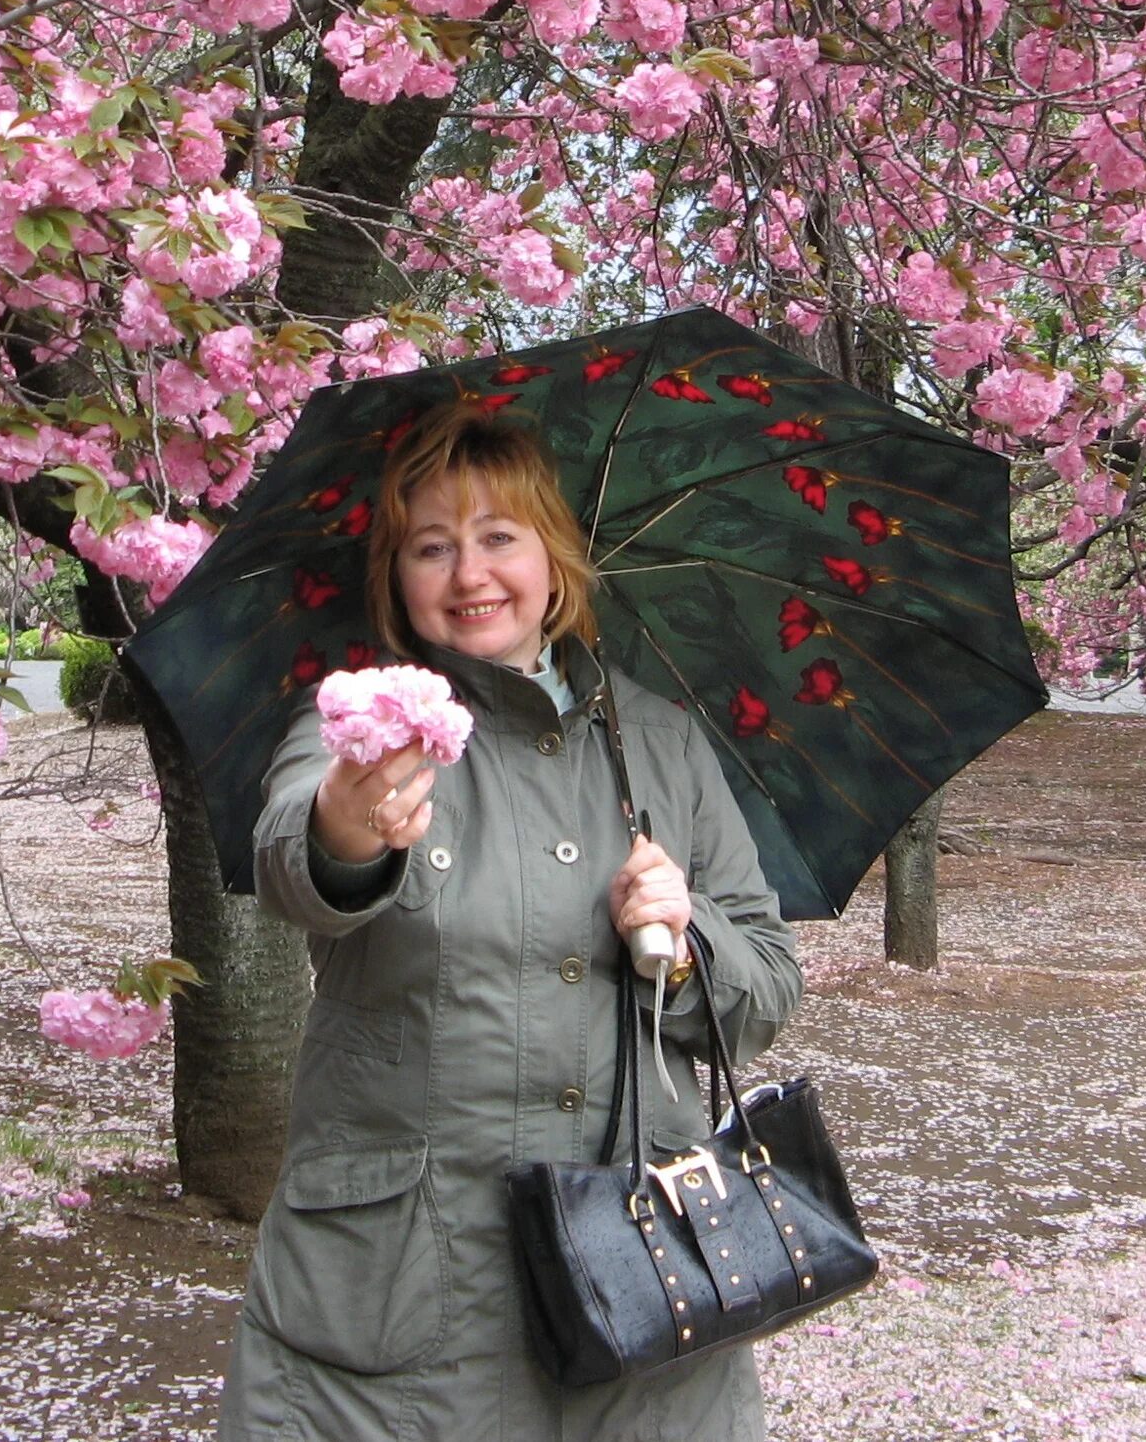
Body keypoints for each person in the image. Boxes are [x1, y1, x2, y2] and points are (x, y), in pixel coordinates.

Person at [219, 402, 804, 1442]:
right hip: (405, 1289)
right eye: (431, 548)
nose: (469, 574)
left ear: (554, 559)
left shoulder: (664, 742)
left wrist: (686, 941)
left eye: (500, 538)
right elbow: (293, 866)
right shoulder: (364, 726)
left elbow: (765, 983)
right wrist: (350, 821)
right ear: (397, 579)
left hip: (642, 1271)